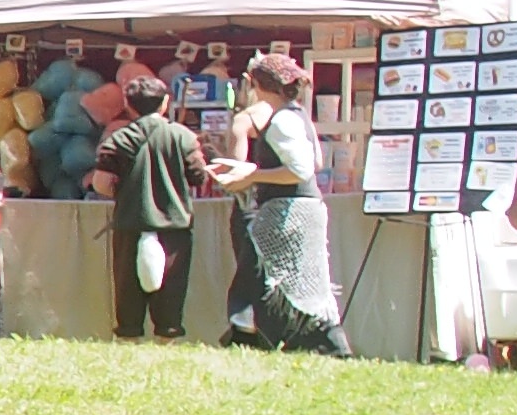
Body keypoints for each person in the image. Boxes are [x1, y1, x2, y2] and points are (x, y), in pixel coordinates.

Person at [204, 51, 351, 355]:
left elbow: (300, 170)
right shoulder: (299, 116)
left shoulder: (282, 120)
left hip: (288, 210)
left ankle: (284, 341)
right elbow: (316, 161)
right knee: (306, 283)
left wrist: (252, 174)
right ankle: (323, 345)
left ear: (256, 84)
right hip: (305, 207)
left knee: (274, 281)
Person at [96, 67, 207, 342]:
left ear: (128, 105)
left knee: (128, 304)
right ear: (165, 102)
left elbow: (101, 183)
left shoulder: (118, 139)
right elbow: (198, 177)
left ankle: (129, 345)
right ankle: (167, 346)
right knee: (170, 303)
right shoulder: (183, 137)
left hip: (130, 227)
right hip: (174, 230)